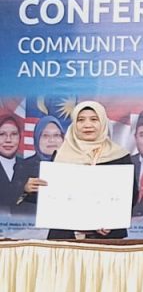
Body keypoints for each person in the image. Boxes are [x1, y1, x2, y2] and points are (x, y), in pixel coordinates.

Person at [21, 101, 136, 240]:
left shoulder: (119, 156)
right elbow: (51, 197)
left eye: (94, 119)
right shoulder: (60, 155)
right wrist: (28, 189)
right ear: (74, 123)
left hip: (106, 238)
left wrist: (112, 221)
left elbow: (130, 196)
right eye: (81, 120)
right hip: (64, 236)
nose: (87, 125)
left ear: (103, 122)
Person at [11, 115, 65, 219]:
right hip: (32, 222)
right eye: (45, 136)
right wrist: (24, 188)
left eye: (56, 135)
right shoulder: (23, 166)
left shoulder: (72, 163)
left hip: (63, 222)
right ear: (37, 138)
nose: (52, 140)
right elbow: (8, 199)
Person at [0, 114, 23, 214]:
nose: (8, 140)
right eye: (2, 134)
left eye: (14, 134)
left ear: (20, 137)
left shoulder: (29, 166)